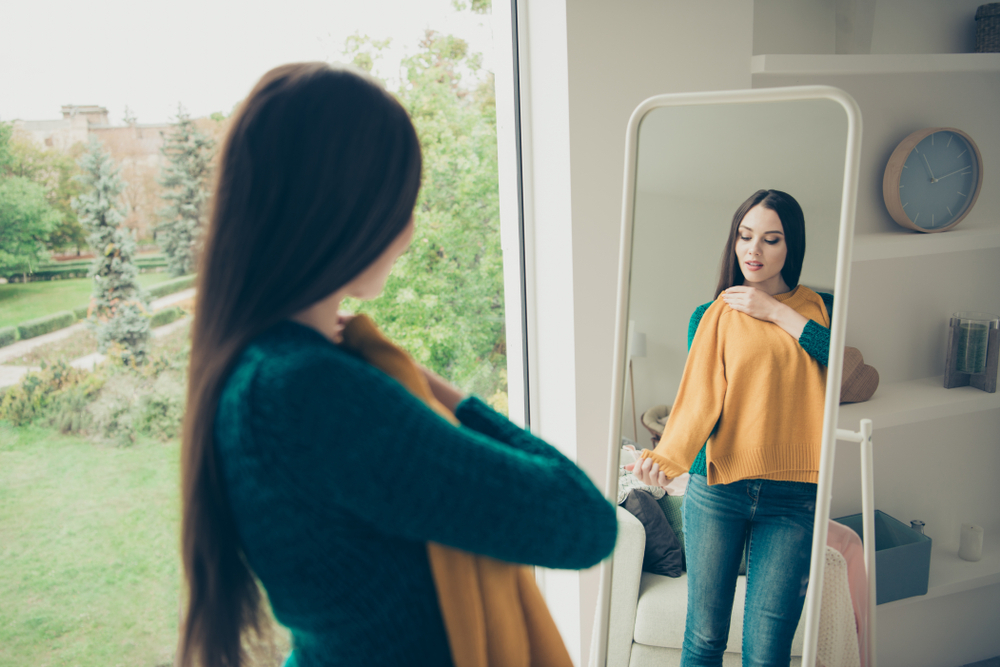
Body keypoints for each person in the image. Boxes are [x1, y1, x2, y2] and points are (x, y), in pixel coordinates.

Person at [177, 62, 617, 667]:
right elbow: (582, 522)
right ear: (343, 211)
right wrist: (440, 391)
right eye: (400, 203)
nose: (409, 231)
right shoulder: (310, 392)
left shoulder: (250, 369)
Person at [630, 189, 833, 666]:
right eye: (745, 236)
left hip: (794, 493)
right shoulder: (710, 315)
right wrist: (668, 460)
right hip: (717, 488)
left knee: (767, 653)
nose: (753, 251)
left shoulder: (818, 308)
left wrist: (777, 312)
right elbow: (699, 401)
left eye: (771, 239)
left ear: (791, 247)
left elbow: (839, 369)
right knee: (703, 638)